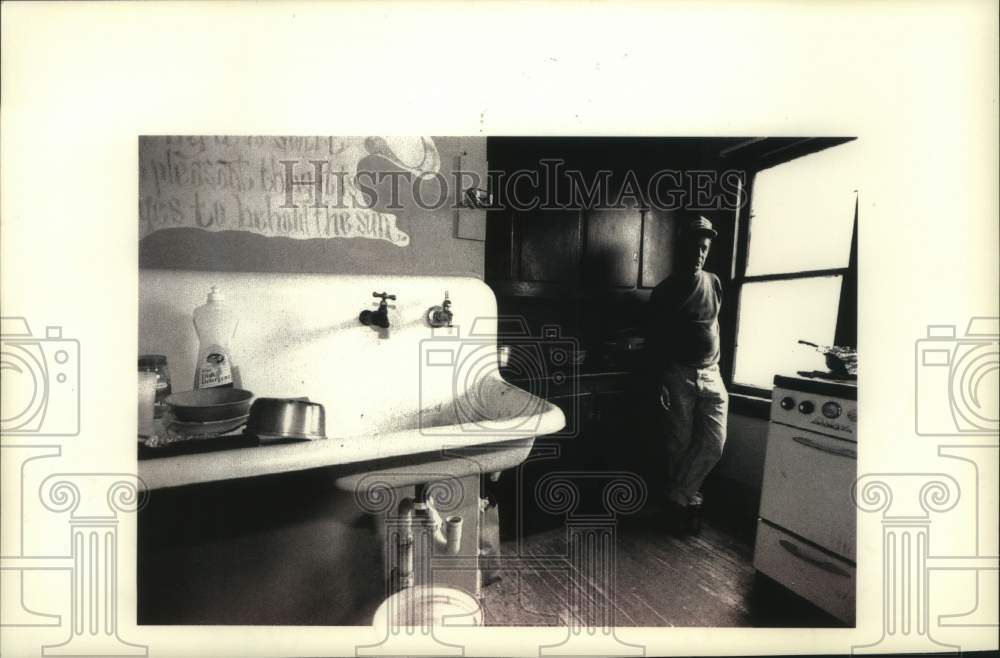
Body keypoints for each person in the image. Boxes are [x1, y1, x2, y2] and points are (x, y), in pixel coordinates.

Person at [645, 216, 728, 534]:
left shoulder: (715, 282)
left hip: (712, 372)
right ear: (682, 249)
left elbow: (716, 323)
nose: (699, 253)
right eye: (694, 246)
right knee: (678, 445)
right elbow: (654, 341)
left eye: (704, 248)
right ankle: (685, 506)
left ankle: (676, 498)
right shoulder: (665, 291)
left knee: (714, 443)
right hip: (678, 374)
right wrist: (661, 382)